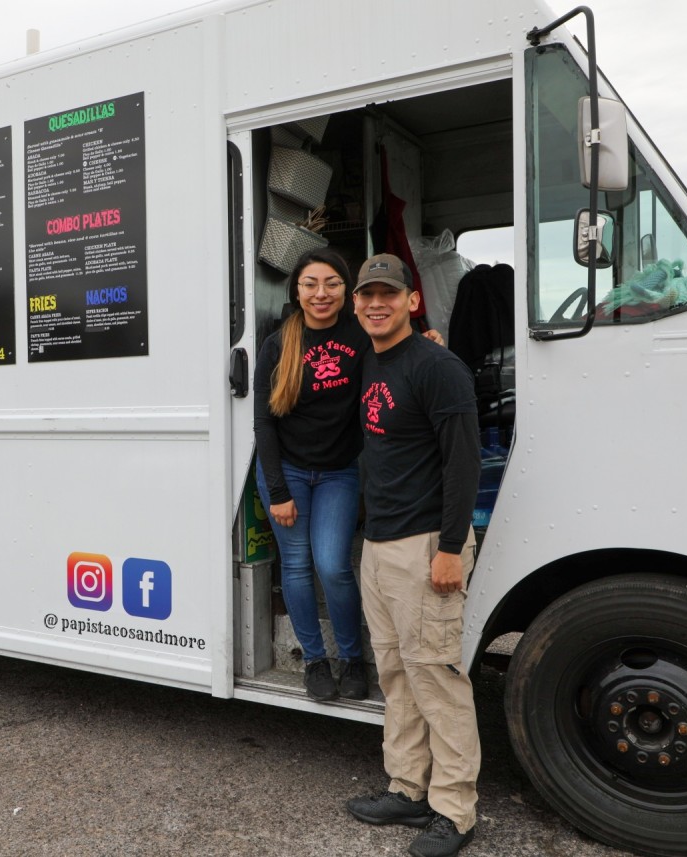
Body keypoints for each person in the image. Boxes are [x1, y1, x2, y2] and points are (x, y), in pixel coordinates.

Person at [345, 253, 482, 857]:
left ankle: (455, 811)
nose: (377, 304)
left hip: (426, 543)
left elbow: (464, 461)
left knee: (436, 679)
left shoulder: (438, 367)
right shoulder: (374, 358)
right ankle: (407, 788)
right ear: (357, 305)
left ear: (412, 301)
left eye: (388, 295)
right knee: (397, 674)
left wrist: (451, 548)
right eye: (367, 295)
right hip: (379, 546)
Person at [253, 249, 372, 701]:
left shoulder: (363, 336)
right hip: (286, 475)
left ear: (347, 291)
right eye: (310, 284)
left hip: (340, 473)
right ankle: (316, 662)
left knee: (333, 566)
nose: (321, 293)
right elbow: (264, 422)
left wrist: (429, 340)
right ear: (297, 291)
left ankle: (353, 659)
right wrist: (278, 490)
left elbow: (401, 360)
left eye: (332, 284)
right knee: (298, 568)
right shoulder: (278, 344)